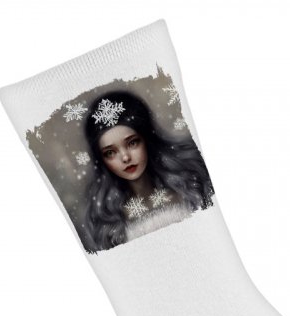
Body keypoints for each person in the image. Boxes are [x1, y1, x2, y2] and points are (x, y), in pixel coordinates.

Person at [82, 90, 214, 251]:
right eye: (110, 153)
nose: (125, 157)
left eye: (132, 143)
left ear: (146, 139)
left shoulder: (190, 186)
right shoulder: (109, 220)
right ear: (102, 161)